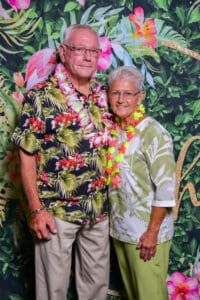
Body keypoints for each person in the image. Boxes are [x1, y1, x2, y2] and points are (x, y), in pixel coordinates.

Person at [11, 24, 112, 300]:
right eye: (80, 49)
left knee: (95, 292)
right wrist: (35, 209)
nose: (88, 56)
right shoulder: (41, 96)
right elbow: (26, 152)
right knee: (52, 293)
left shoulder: (104, 97)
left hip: (97, 212)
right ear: (64, 53)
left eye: (94, 50)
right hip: (55, 213)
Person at [106, 66, 176, 300]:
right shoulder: (114, 130)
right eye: (115, 93)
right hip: (121, 232)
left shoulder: (153, 132)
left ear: (140, 97)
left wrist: (151, 233)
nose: (121, 99)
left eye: (128, 94)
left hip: (146, 236)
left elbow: (166, 189)